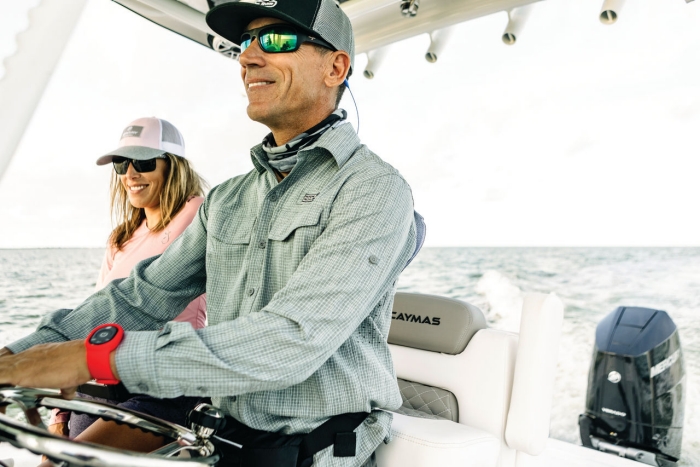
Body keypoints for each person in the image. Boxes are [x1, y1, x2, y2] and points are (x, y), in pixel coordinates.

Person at [0, 1, 421, 466]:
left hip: (318, 451)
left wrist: (93, 357)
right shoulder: (227, 199)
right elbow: (142, 297)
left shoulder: (375, 189)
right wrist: (19, 355)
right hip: (223, 441)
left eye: (275, 39)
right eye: (245, 43)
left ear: (335, 67)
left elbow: (292, 340)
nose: (249, 57)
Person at [47, 117, 209, 453]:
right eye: (122, 163)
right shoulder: (120, 238)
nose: (130, 174)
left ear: (173, 166)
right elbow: (95, 319)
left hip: (164, 387)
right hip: (102, 384)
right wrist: (60, 410)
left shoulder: (199, 216)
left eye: (143, 162)